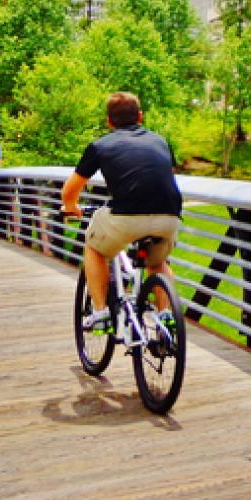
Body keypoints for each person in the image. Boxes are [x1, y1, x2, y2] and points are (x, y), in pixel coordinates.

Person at [61, 92, 182, 334]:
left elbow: (69, 190)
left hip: (127, 216)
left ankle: (100, 313)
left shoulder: (100, 145)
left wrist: (71, 207)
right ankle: (166, 315)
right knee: (157, 262)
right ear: (140, 116)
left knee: (94, 248)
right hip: (169, 215)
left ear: (109, 121)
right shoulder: (160, 141)